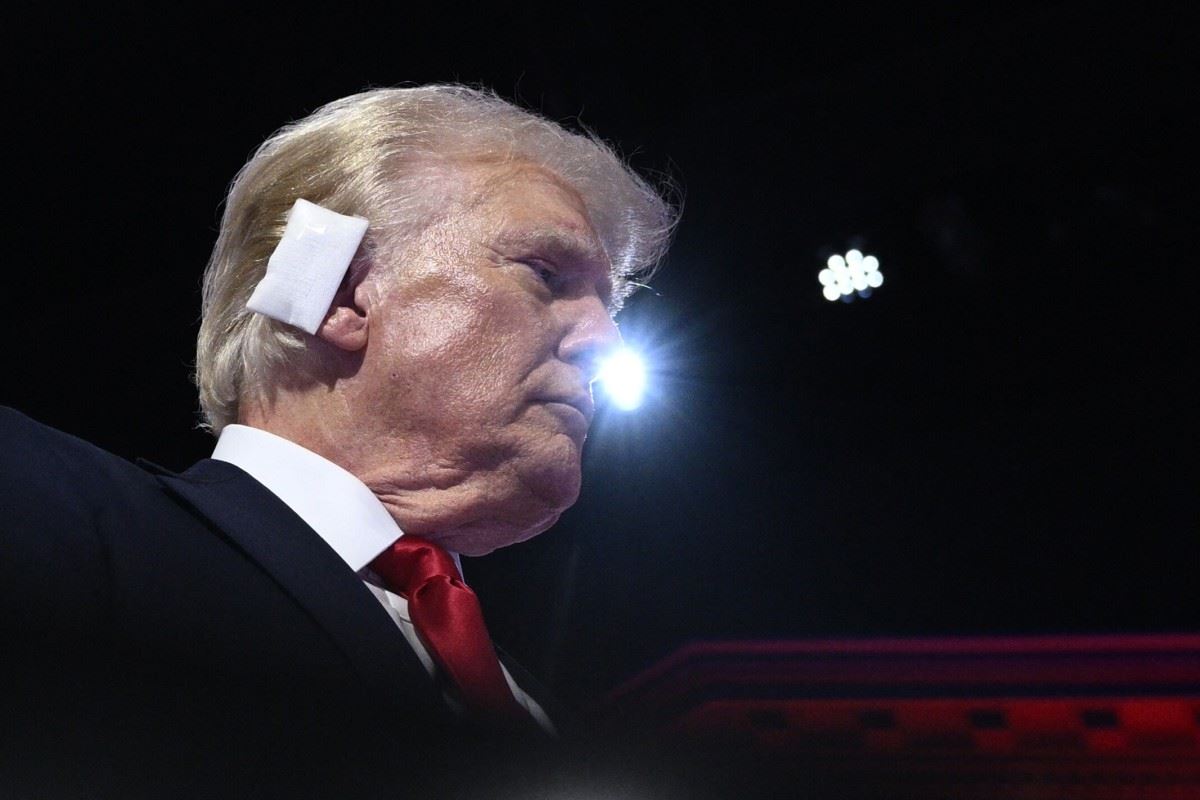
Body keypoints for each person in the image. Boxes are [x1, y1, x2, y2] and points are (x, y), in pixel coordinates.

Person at [0, 85, 675, 797]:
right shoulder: (38, 501)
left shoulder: (554, 721)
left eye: (610, 304)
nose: (605, 341)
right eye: (546, 273)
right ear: (345, 295)